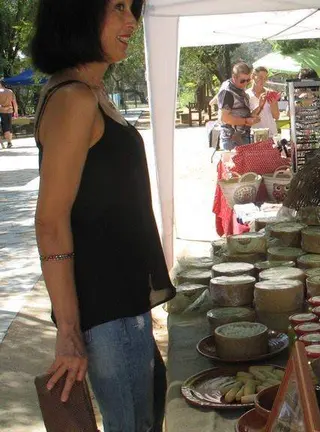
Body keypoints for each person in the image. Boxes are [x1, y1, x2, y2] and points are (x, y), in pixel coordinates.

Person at [29, 0, 175, 430]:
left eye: (132, 7)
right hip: (106, 312)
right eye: (117, 7)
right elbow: (50, 222)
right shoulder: (73, 98)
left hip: (123, 303)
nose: (131, 20)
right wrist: (69, 329)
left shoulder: (88, 90)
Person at [216, 62, 260, 150]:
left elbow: (240, 112)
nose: (245, 83)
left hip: (241, 136)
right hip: (231, 140)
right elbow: (224, 118)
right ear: (234, 77)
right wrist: (246, 121)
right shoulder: (227, 92)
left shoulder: (238, 88)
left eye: (248, 80)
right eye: (242, 80)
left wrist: (258, 108)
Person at [246, 66, 280, 138]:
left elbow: (276, 116)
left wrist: (273, 105)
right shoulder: (246, 95)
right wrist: (260, 106)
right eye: (260, 77)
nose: (263, 80)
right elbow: (246, 117)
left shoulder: (270, 93)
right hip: (255, 135)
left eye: (265, 78)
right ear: (252, 76)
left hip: (271, 133)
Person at [0, 80, 18, 149]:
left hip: (2, 111)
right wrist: (16, 111)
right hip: (10, 111)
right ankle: (9, 142)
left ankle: (9, 142)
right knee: (9, 127)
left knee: (5, 127)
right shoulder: (10, 91)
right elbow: (14, 102)